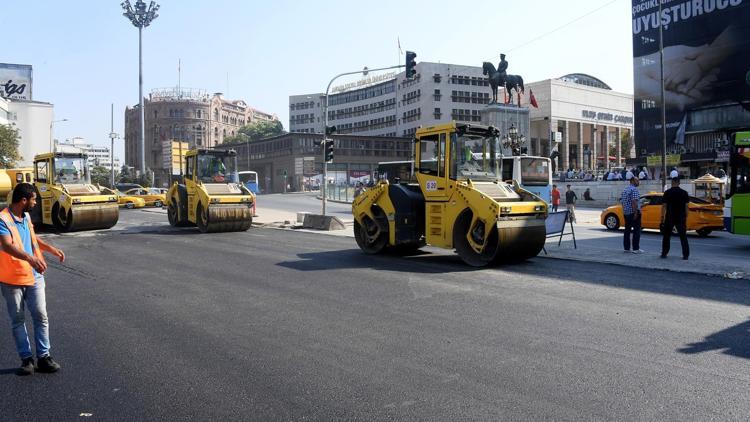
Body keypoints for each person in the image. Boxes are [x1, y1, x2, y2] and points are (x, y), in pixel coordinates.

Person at [0, 183, 65, 376]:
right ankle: (26, 359)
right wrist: (31, 258)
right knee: (18, 320)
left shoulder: (26, 216)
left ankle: (44, 357)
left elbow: (32, 239)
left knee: (40, 315)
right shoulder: (2, 219)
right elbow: (6, 246)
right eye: (34, 199)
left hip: (34, 276)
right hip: (12, 279)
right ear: (23, 200)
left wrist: (51, 249)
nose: (35, 203)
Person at [660, 177, 690, 260]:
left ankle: (664, 253)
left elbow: (664, 206)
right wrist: (685, 216)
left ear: (672, 182)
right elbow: (686, 207)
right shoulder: (684, 193)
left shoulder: (667, 193)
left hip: (669, 217)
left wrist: (662, 218)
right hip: (680, 217)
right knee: (683, 236)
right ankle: (685, 255)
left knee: (666, 236)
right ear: (679, 183)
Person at [621, 176, 643, 253]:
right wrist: (636, 213)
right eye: (637, 180)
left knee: (627, 231)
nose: (639, 182)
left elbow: (623, 203)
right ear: (633, 181)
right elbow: (634, 202)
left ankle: (626, 248)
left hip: (626, 213)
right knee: (636, 231)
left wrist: (624, 211)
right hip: (633, 213)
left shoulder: (625, 190)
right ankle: (636, 249)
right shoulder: (634, 190)